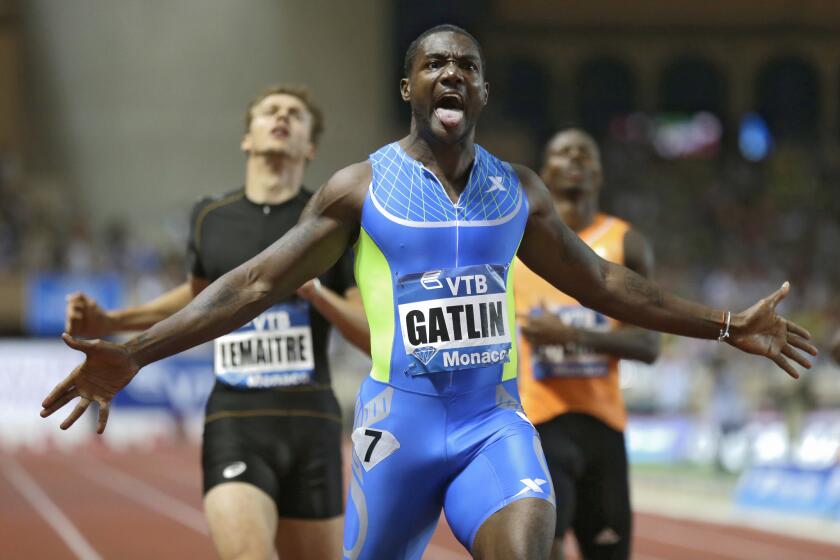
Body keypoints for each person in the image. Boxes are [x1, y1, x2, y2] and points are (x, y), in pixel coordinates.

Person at [42, 25, 817, 560]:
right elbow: (253, 282)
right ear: (408, 85)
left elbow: (604, 281)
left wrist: (723, 324)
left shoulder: (519, 192)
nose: (454, 73)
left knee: (527, 543)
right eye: (436, 63)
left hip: (494, 425)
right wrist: (135, 350)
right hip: (397, 433)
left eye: (469, 67)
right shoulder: (361, 188)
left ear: (481, 93)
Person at [62, 85, 368, 560]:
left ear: (310, 146)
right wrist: (115, 319)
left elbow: (368, 333)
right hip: (236, 419)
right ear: (248, 138)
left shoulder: (331, 223)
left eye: (295, 114)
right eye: (270, 111)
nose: (282, 117)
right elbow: (197, 299)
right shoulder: (211, 217)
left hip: (313, 424)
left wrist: (316, 292)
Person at [515, 129, 658, 560]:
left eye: (586, 153)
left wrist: (572, 335)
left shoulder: (626, 242)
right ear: (544, 173)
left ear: (599, 174)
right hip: (538, 426)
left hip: (603, 430)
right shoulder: (517, 241)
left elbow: (649, 344)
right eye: (562, 152)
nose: (575, 157)